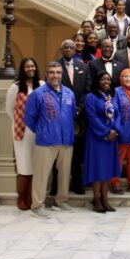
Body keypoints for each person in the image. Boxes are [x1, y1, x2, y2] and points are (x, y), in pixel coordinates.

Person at [24, 62, 76, 219]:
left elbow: (71, 114)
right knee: (41, 174)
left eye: (58, 72)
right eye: (52, 72)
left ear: (62, 75)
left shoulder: (69, 93)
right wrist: (43, 130)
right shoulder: (37, 94)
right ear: (46, 75)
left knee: (65, 173)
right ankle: (37, 206)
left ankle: (60, 201)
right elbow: (29, 118)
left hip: (66, 140)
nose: (55, 75)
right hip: (46, 141)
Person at [5, 58, 44, 210]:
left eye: (32, 66)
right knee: (24, 165)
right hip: (22, 131)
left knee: (35, 165)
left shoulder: (41, 85)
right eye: (27, 66)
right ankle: (21, 197)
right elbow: (9, 110)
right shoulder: (15, 87)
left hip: (38, 132)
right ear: (22, 69)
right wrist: (22, 122)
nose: (30, 69)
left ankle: (30, 196)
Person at [56, 40, 89, 195]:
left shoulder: (83, 66)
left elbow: (87, 89)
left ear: (76, 50)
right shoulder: (55, 66)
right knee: (59, 151)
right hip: (60, 115)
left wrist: (79, 107)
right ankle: (56, 186)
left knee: (77, 152)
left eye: (71, 47)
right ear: (61, 49)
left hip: (79, 117)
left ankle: (77, 183)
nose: (69, 49)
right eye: (66, 47)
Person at [84, 71, 120, 213]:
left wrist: (115, 130)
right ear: (97, 81)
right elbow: (92, 118)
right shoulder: (91, 97)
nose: (106, 81)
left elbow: (118, 114)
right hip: (97, 138)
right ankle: (97, 200)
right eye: (103, 79)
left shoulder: (112, 97)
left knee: (107, 171)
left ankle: (105, 200)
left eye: (108, 79)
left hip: (111, 138)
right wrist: (106, 132)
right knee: (98, 170)